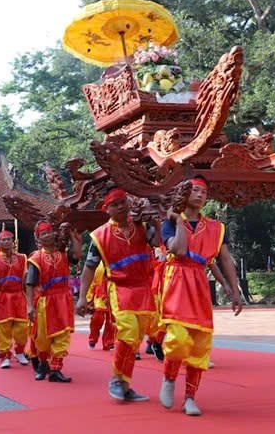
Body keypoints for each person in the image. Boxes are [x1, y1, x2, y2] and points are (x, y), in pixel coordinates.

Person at [159, 176, 243, 416]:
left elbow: (225, 259)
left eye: (203, 192)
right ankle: (169, 377)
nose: (199, 195)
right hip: (177, 281)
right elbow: (179, 249)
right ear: (184, 194)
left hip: (199, 284)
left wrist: (235, 291)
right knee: (177, 340)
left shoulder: (217, 228)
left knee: (200, 344)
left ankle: (189, 397)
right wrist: (178, 220)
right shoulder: (168, 223)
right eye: (194, 190)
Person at [77, 186, 158, 402]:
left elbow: (160, 244)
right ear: (107, 209)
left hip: (143, 288)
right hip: (120, 289)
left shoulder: (142, 226)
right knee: (128, 332)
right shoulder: (100, 236)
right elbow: (89, 267)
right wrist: (82, 298)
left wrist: (155, 221)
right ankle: (116, 378)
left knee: (136, 338)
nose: (121, 207)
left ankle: (124, 383)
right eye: (115, 204)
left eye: (123, 202)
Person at [26, 220, 82, 383]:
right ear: (38, 239)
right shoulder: (36, 258)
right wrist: (30, 306)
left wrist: (75, 239)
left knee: (62, 334)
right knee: (43, 338)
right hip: (45, 301)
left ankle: (56, 369)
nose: (48, 235)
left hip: (63, 298)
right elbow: (30, 284)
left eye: (49, 232)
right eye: (43, 233)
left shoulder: (63, 253)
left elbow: (77, 256)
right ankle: (43, 363)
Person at [0, 229, 30, 369]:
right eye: (2, 240)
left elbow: (26, 281)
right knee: (3, 328)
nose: (6, 242)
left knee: (22, 327)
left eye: (8, 239)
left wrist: (29, 300)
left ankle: (20, 351)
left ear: (13, 241)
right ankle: (5, 356)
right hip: (3, 297)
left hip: (18, 296)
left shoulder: (23, 258)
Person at [87, 262, 116, 351]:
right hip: (100, 294)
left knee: (112, 320)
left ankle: (109, 342)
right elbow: (92, 281)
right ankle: (93, 338)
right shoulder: (97, 263)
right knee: (97, 317)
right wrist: (89, 298)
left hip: (113, 293)